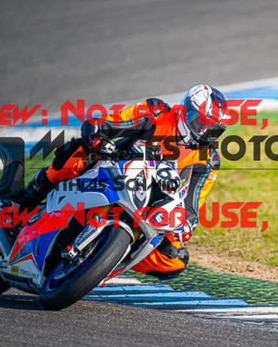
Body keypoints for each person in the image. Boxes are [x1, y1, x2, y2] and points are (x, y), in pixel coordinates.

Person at [12, 85, 229, 279]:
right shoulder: (157, 113)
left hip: (150, 207)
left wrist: (187, 225)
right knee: (81, 150)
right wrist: (99, 136)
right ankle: (27, 198)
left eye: (212, 129)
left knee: (175, 259)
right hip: (112, 173)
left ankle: (105, 261)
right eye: (200, 122)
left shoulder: (209, 159)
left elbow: (192, 204)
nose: (203, 131)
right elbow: (108, 123)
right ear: (185, 111)